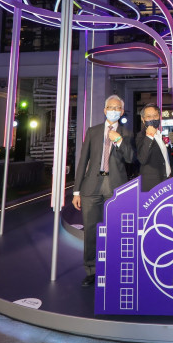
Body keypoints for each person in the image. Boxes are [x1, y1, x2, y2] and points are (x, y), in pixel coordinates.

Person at [73, 95, 134, 287]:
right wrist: (76, 191)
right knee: (91, 230)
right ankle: (91, 270)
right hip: (91, 187)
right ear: (104, 110)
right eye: (110, 107)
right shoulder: (93, 131)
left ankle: (114, 268)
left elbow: (131, 158)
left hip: (115, 186)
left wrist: (119, 141)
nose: (114, 110)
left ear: (122, 112)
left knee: (115, 230)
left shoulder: (127, 133)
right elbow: (83, 161)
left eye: (117, 108)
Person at [136, 103, 173, 192]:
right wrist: (149, 136)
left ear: (159, 117)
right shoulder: (140, 136)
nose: (152, 119)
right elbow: (142, 159)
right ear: (143, 119)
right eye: (148, 116)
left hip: (167, 181)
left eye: (155, 116)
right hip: (152, 185)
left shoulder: (160, 135)